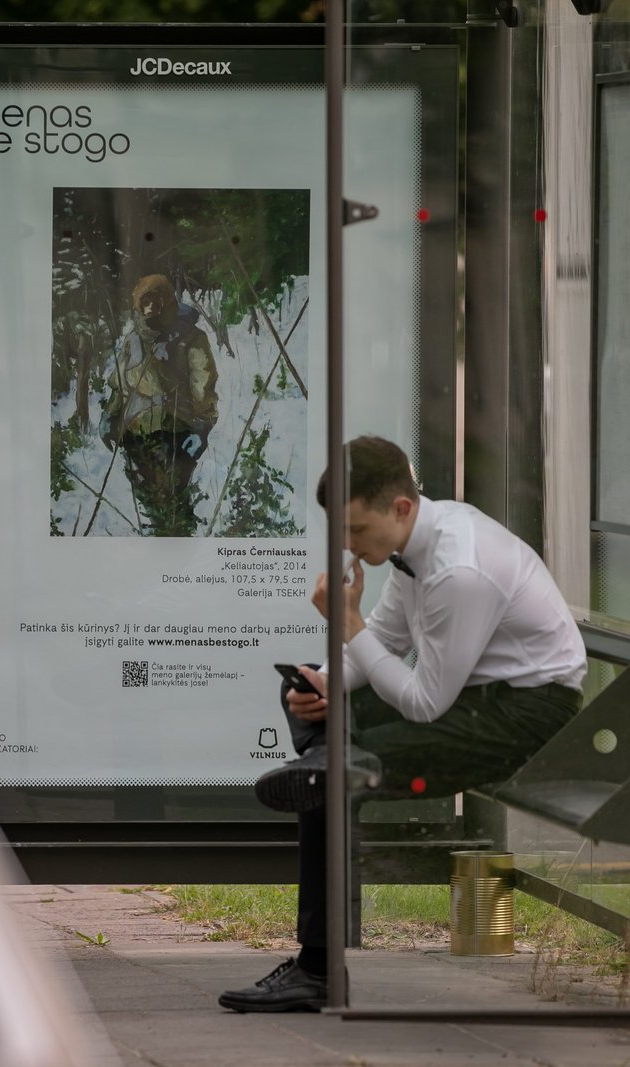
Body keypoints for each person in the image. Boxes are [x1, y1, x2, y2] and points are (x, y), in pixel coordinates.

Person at [217, 435, 587, 1013]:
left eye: (356, 530)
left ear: (401, 508)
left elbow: (423, 703)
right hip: (474, 699)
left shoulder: (457, 570)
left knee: (332, 776)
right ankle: (326, 763)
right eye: (340, 531)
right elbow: (387, 642)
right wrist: (322, 681)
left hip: (529, 715)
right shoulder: (414, 549)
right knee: (309, 696)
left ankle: (315, 960)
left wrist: (349, 626)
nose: (348, 545)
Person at [100, 274, 219, 536]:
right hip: (136, 433)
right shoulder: (133, 340)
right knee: (147, 498)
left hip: (176, 432)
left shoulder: (190, 338)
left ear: (167, 302)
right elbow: (120, 384)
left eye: (156, 302)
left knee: (173, 501)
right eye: (145, 302)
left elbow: (204, 385)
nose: (150, 308)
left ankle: (179, 546)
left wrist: (202, 428)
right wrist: (109, 416)